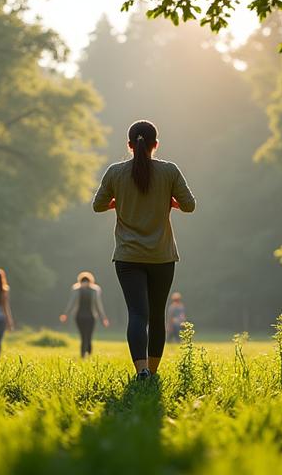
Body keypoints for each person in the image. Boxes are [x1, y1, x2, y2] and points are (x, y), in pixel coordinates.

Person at [93, 120, 196, 380]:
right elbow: (189, 205)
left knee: (137, 313)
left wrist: (119, 201)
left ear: (129, 145)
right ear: (155, 144)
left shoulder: (115, 173)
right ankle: (154, 370)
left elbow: (98, 205)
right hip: (162, 256)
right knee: (157, 313)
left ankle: (142, 372)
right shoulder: (169, 171)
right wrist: (168, 200)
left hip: (127, 257)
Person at [59, 271, 109, 358]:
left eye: (86, 281)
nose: (84, 283)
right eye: (83, 281)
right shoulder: (76, 290)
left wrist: (103, 318)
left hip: (91, 317)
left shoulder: (95, 291)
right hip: (79, 317)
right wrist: (65, 314)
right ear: (80, 281)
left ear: (90, 281)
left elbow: (98, 305)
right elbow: (71, 303)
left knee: (88, 336)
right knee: (83, 336)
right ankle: (83, 355)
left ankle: (88, 353)